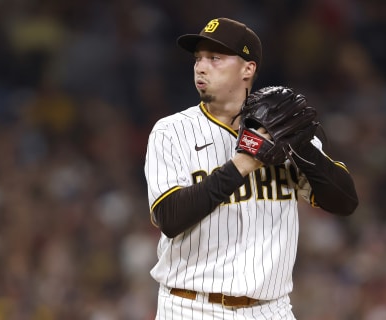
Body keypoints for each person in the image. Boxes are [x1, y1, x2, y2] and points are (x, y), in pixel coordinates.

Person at [144, 17, 358, 319]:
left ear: (248, 68)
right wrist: (245, 161)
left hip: (272, 309)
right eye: (198, 59)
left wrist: (303, 148)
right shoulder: (171, 131)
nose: (201, 67)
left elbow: (345, 201)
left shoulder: (281, 127)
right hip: (191, 306)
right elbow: (170, 217)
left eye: (215, 58)